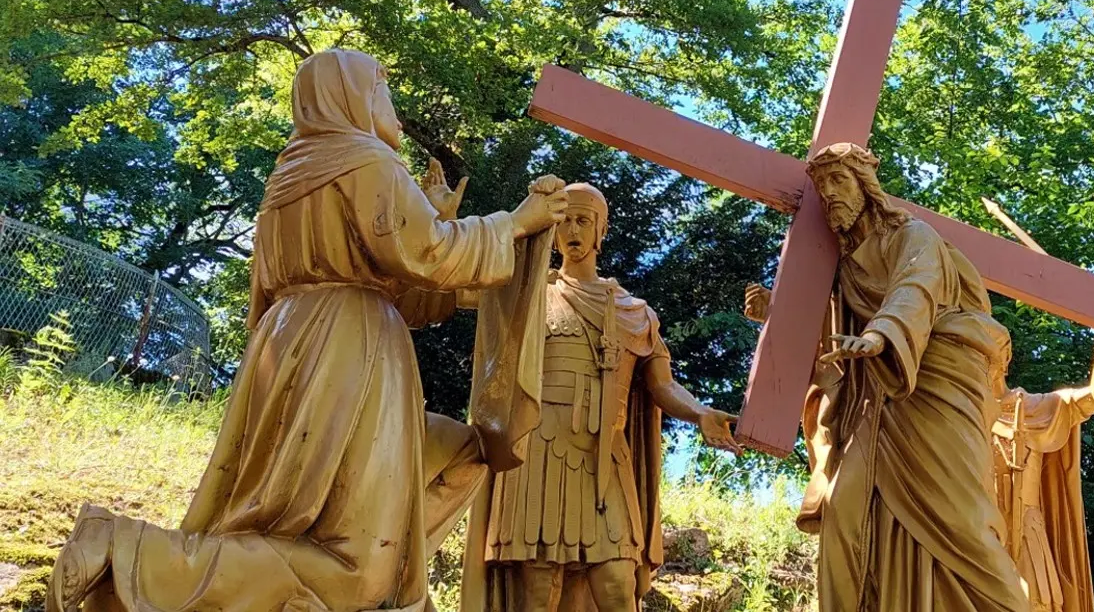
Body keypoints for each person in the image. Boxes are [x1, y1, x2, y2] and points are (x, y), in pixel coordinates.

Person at [46, 48, 568, 612]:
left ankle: (155, 570)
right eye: (383, 89)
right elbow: (430, 254)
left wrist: (436, 218)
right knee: (352, 563)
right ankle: (129, 551)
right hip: (350, 347)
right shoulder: (365, 161)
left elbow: (398, 278)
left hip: (289, 344)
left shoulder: (290, 178)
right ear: (353, 96)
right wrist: (514, 224)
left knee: (445, 463)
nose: (391, 105)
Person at [745, 142, 1028, 611]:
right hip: (874, 399)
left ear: (865, 185)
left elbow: (914, 288)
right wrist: (773, 313)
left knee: (958, 517)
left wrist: (882, 335)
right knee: (844, 513)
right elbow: (823, 328)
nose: (830, 193)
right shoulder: (839, 267)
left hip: (937, 384)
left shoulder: (913, 235)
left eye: (840, 180)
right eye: (822, 185)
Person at [459, 182, 741, 612]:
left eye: (583, 220)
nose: (573, 229)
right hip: (538, 452)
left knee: (616, 582)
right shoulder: (528, 296)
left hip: (604, 458)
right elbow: (460, 285)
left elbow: (661, 384)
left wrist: (700, 413)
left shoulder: (634, 312)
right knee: (537, 590)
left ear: (601, 230)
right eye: (564, 220)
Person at [991, 332, 1094, 612]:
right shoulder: (961, 416)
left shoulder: (1038, 408)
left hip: (1026, 534)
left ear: (1006, 358)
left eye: (990, 349)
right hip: (979, 532)